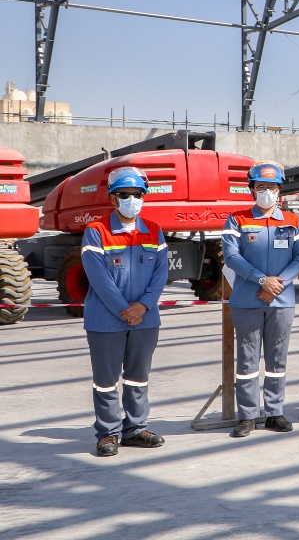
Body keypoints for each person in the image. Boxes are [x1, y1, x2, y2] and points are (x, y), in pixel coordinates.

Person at [81, 167, 168, 457]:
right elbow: (98, 277)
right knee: (105, 380)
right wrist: (124, 309)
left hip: (145, 318)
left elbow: (160, 273)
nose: (131, 199)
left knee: (138, 377)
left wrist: (143, 306)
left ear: (144, 197)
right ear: (113, 198)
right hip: (106, 319)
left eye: (136, 194)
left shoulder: (154, 231)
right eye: (123, 195)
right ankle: (108, 433)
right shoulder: (96, 231)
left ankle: (136, 429)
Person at [222, 162, 299, 438]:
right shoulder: (236, 220)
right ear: (252, 190)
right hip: (247, 300)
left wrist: (276, 284)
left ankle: (274, 412)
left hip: (281, 301)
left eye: (272, 187)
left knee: (277, 358)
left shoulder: (295, 221)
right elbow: (232, 257)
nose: (267, 192)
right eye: (261, 187)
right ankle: (247, 415)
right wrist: (263, 280)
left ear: (279, 190)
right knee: (247, 360)